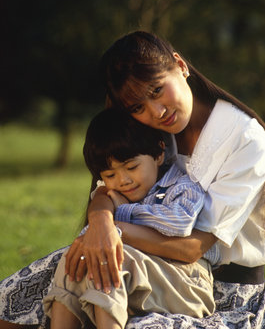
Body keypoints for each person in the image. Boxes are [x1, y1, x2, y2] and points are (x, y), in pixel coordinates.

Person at [0, 30, 264, 329]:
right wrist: (100, 224)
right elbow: (107, 189)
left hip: (224, 289)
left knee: (111, 287)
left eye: (156, 90)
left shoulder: (246, 139)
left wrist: (113, 229)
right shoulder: (151, 130)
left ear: (180, 66)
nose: (157, 111)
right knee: (20, 297)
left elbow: (192, 249)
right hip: (142, 260)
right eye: (138, 107)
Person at [43, 107, 217, 329]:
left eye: (131, 167)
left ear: (158, 153)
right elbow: (100, 207)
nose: (123, 180)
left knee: (112, 259)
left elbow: (178, 223)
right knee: (77, 260)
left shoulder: (183, 186)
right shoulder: (114, 194)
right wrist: (97, 234)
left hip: (187, 284)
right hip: (143, 279)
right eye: (110, 175)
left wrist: (120, 217)